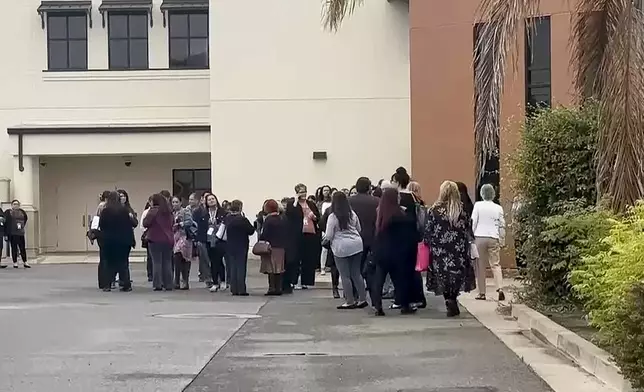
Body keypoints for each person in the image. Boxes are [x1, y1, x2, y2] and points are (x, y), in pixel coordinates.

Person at [424, 181, 476, 317]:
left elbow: (428, 230)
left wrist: (429, 243)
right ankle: (453, 297)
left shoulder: (434, 210)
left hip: (440, 249)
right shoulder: (461, 209)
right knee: (456, 275)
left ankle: (448, 298)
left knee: (443, 275)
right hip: (458, 249)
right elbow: (468, 229)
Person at [371, 188, 420, 315]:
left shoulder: (380, 213)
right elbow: (409, 234)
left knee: (379, 280)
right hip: (397, 252)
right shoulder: (401, 215)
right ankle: (404, 305)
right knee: (400, 280)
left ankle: (377, 306)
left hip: (382, 251)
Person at [323, 191, 368, 310]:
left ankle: (349, 301)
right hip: (357, 245)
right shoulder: (352, 214)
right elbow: (359, 228)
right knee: (356, 273)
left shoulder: (333, 217)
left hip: (341, 247)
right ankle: (362, 299)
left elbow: (328, 235)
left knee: (345, 275)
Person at [391, 167, 426, 309]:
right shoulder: (413, 196)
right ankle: (418, 298)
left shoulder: (397, 198)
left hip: (399, 237)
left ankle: (401, 299)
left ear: (397, 181)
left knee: (400, 270)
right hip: (413, 236)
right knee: (413, 269)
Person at [472, 184, 506, 301]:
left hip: (480, 236)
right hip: (493, 237)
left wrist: (471, 236)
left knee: (480, 265)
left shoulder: (478, 205)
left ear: (482, 194)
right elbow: (502, 225)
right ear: (493, 194)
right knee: (495, 264)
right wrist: (502, 239)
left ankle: (482, 293)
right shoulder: (498, 208)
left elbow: (474, 221)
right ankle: (500, 288)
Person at [285, 184, 321, 290]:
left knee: (308, 258)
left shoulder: (311, 204)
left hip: (310, 233)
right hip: (297, 234)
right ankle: (294, 281)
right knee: (296, 258)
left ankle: (307, 281)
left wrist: (314, 217)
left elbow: (317, 217)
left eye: (304, 191)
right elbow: (289, 215)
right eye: (301, 191)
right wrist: (296, 201)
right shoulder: (292, 204)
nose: (303, 193)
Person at [98, 191, 135, 292]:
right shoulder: (124, 210)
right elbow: (129, 224)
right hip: (123, 240)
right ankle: (126, 284)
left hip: (109, 240)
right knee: (123, 263)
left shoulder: (106, 211)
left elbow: (102, 225)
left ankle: (107, 285)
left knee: (109, 263)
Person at [143, 193, 175, 291]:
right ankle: (168, 284)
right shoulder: (168, 211)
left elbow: (145, 223)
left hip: (155, 238)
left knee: (156, 262)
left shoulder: (153, 211)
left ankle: (157, 284)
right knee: (167, 262)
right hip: (168, 239)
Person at [222, 200, 255, 296]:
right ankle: (241, 289)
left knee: (232, 267)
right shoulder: (242, 219)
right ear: (240, 207)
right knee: (241, 267)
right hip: (241, 245)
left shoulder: (227, 218)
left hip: (230, 245)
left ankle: (234, 288)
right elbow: (251, 230)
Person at [349, 177, 379, 278]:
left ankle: (353, 291)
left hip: (353, 237)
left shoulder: (349, 201)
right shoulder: (377, 201)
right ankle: (371, 290)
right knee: (372, 268)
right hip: (372, 238)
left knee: (354, 268)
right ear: (369, 188)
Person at [258, 199, 288, 295]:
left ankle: (272, 288)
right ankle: (279, 288)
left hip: (270, 247)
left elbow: (265, 234)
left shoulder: (268, 220)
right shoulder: (282, 219)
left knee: (271, 269)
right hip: (281, 246)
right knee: (279, 269)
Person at [201, 192, 228, 292]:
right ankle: (215, 282)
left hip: (219, 239)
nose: (211, 201)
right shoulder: (204, 213)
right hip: (208, 239)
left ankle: (223, 281)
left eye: (213, 199)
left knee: (219, 260)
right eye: (209, 200)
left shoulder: (222, 212)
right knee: (212, 261)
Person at [171, 196, 196, 290]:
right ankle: (176, 280)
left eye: (176, 202)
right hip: (175, 237)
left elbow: (190, 222)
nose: (174, 204)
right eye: (173, 202)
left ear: (181, 203)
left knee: (184, 259)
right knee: (176, 258)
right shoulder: (171, 213)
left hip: (185, 237)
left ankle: (185, 280)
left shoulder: (185, 211)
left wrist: (181, 224)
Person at [320, 204, 341, 298]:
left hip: (334, 241)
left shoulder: (330, 211)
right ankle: (349, 290)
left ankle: (335, 288)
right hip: (348, 241)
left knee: (335, 267)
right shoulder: (350, 211)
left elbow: (321, 223)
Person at [5, 200, 30, 269]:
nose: (16, 205)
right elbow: (6, 222)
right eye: (14, 204)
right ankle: (15, 262)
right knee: (14, 248)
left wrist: (22, 226)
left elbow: (25, 218)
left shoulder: (22, 212)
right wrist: (6, 233)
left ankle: (25, 261)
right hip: (12, 233)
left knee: (22, 248)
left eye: (17, 204)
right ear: (12, 205)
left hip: (20, 232)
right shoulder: (9, 212)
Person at [317, 185, 333, 275]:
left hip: (332, 227)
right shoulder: (320, 203)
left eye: (328, 190)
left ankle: (331, 266)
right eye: (324, 190)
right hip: (324, 227)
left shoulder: (332, 203)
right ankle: (322, 267)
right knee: (324, 248)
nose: (326, 192)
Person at [140, 197, 153, 282]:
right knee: (150, 256)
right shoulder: (146, 212)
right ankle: (150, 274)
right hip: (149, 236)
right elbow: (142, 225)